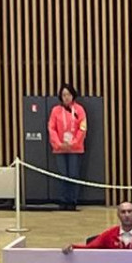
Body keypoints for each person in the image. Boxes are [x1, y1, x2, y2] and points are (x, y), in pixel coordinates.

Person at [62, 200, 132, 253]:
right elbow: (90, 248)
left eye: (129, 211)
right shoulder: (109, 235)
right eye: (123, 212)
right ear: (118, 214)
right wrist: (73, 246)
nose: (126, 215)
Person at [49, 82, 88, 210]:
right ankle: (63, 200)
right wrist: (59, 144)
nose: (66, 97)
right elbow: (52, 128)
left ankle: (73, 201)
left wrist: (73, 143)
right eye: (64, 95)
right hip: (60, 149)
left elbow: (82, 128)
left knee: (73, 174)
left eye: (68, 94)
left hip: (75, 149)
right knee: (62, 175)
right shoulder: (55, 110)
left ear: (73, 95)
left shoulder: (79, 110)